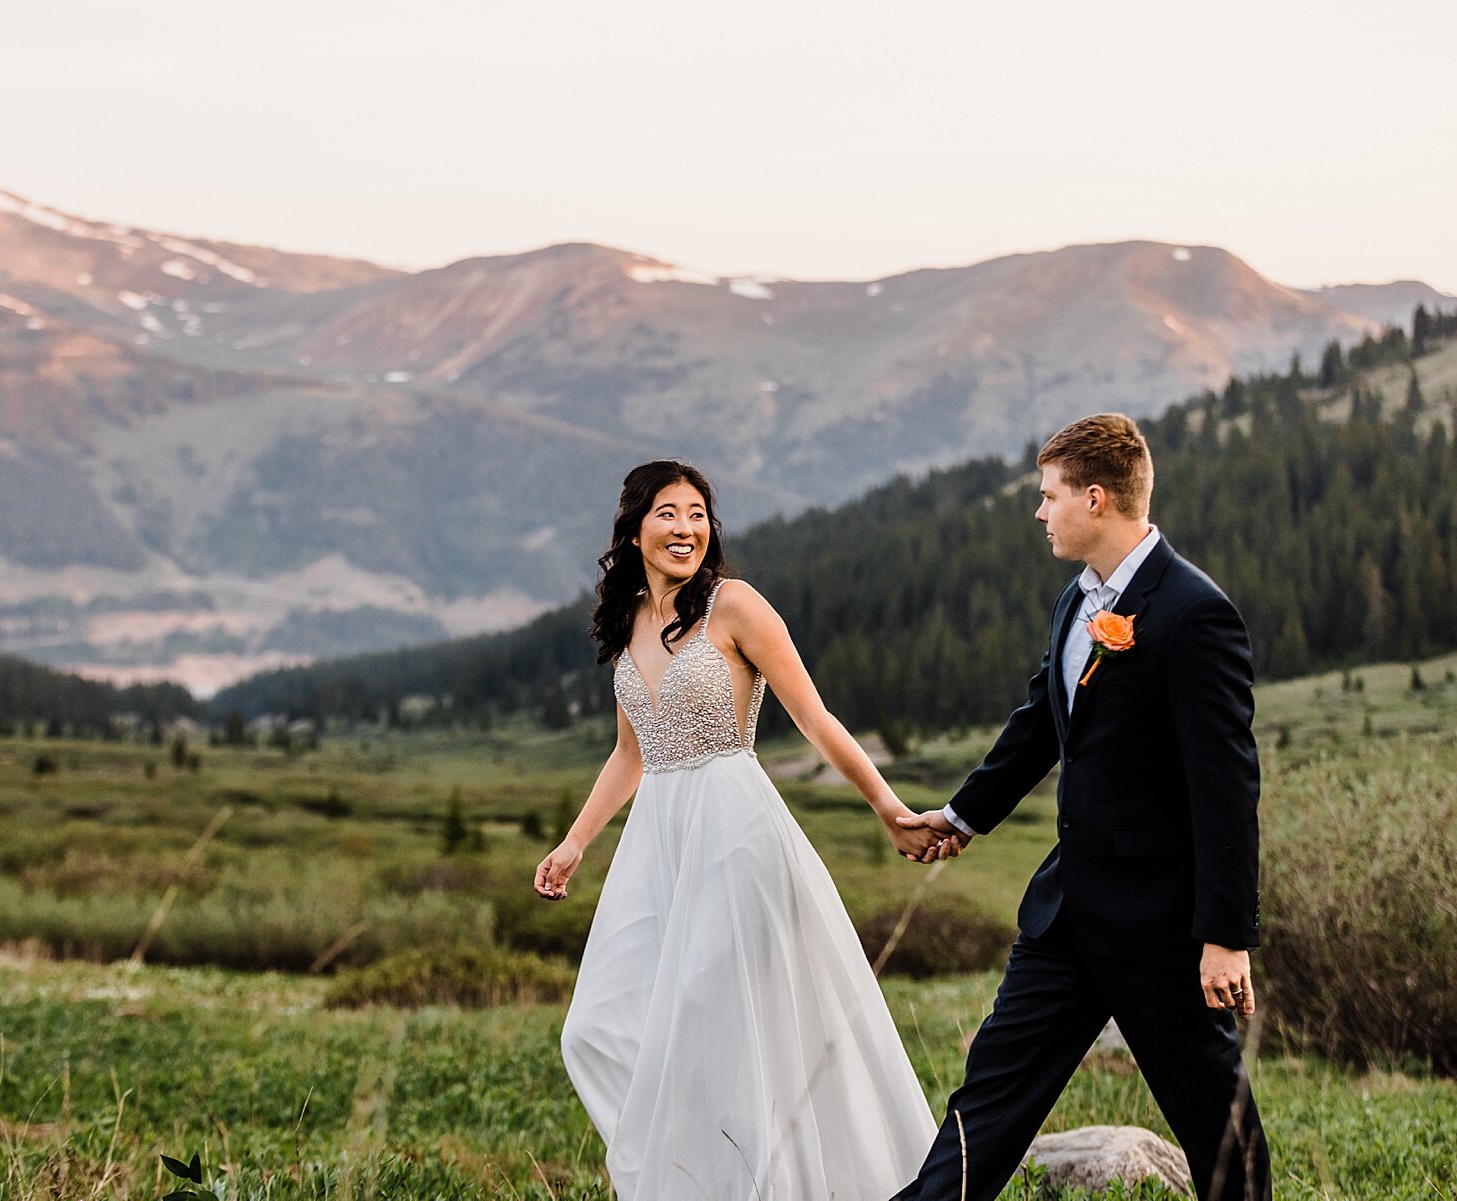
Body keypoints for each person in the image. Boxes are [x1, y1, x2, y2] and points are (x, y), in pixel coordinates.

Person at [894, 413, 1272, 1201]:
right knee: (987, 1104)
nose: (1039, 511)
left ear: (1095, 499)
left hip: (1164, 931)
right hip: (1065, 919)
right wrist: (961, 818)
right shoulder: (1076, 600)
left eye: (1049, 495)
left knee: (1220, 1133)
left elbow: (1227, 787)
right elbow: (1042, 721)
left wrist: (1225, 936)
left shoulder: (1193, 613)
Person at [536, 460, 938, 1200]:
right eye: (668, 512)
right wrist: (575, 842)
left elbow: (814, 718)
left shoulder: (735, 606)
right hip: (658, 837)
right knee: (592, 1025)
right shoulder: (629, 624)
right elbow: (630, 753)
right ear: (633, 529)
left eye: (698, 513)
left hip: (734, 828)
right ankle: (693, 1174)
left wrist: (887, 806)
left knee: (713, 1019)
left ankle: (767, 1183)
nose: (686, 527)